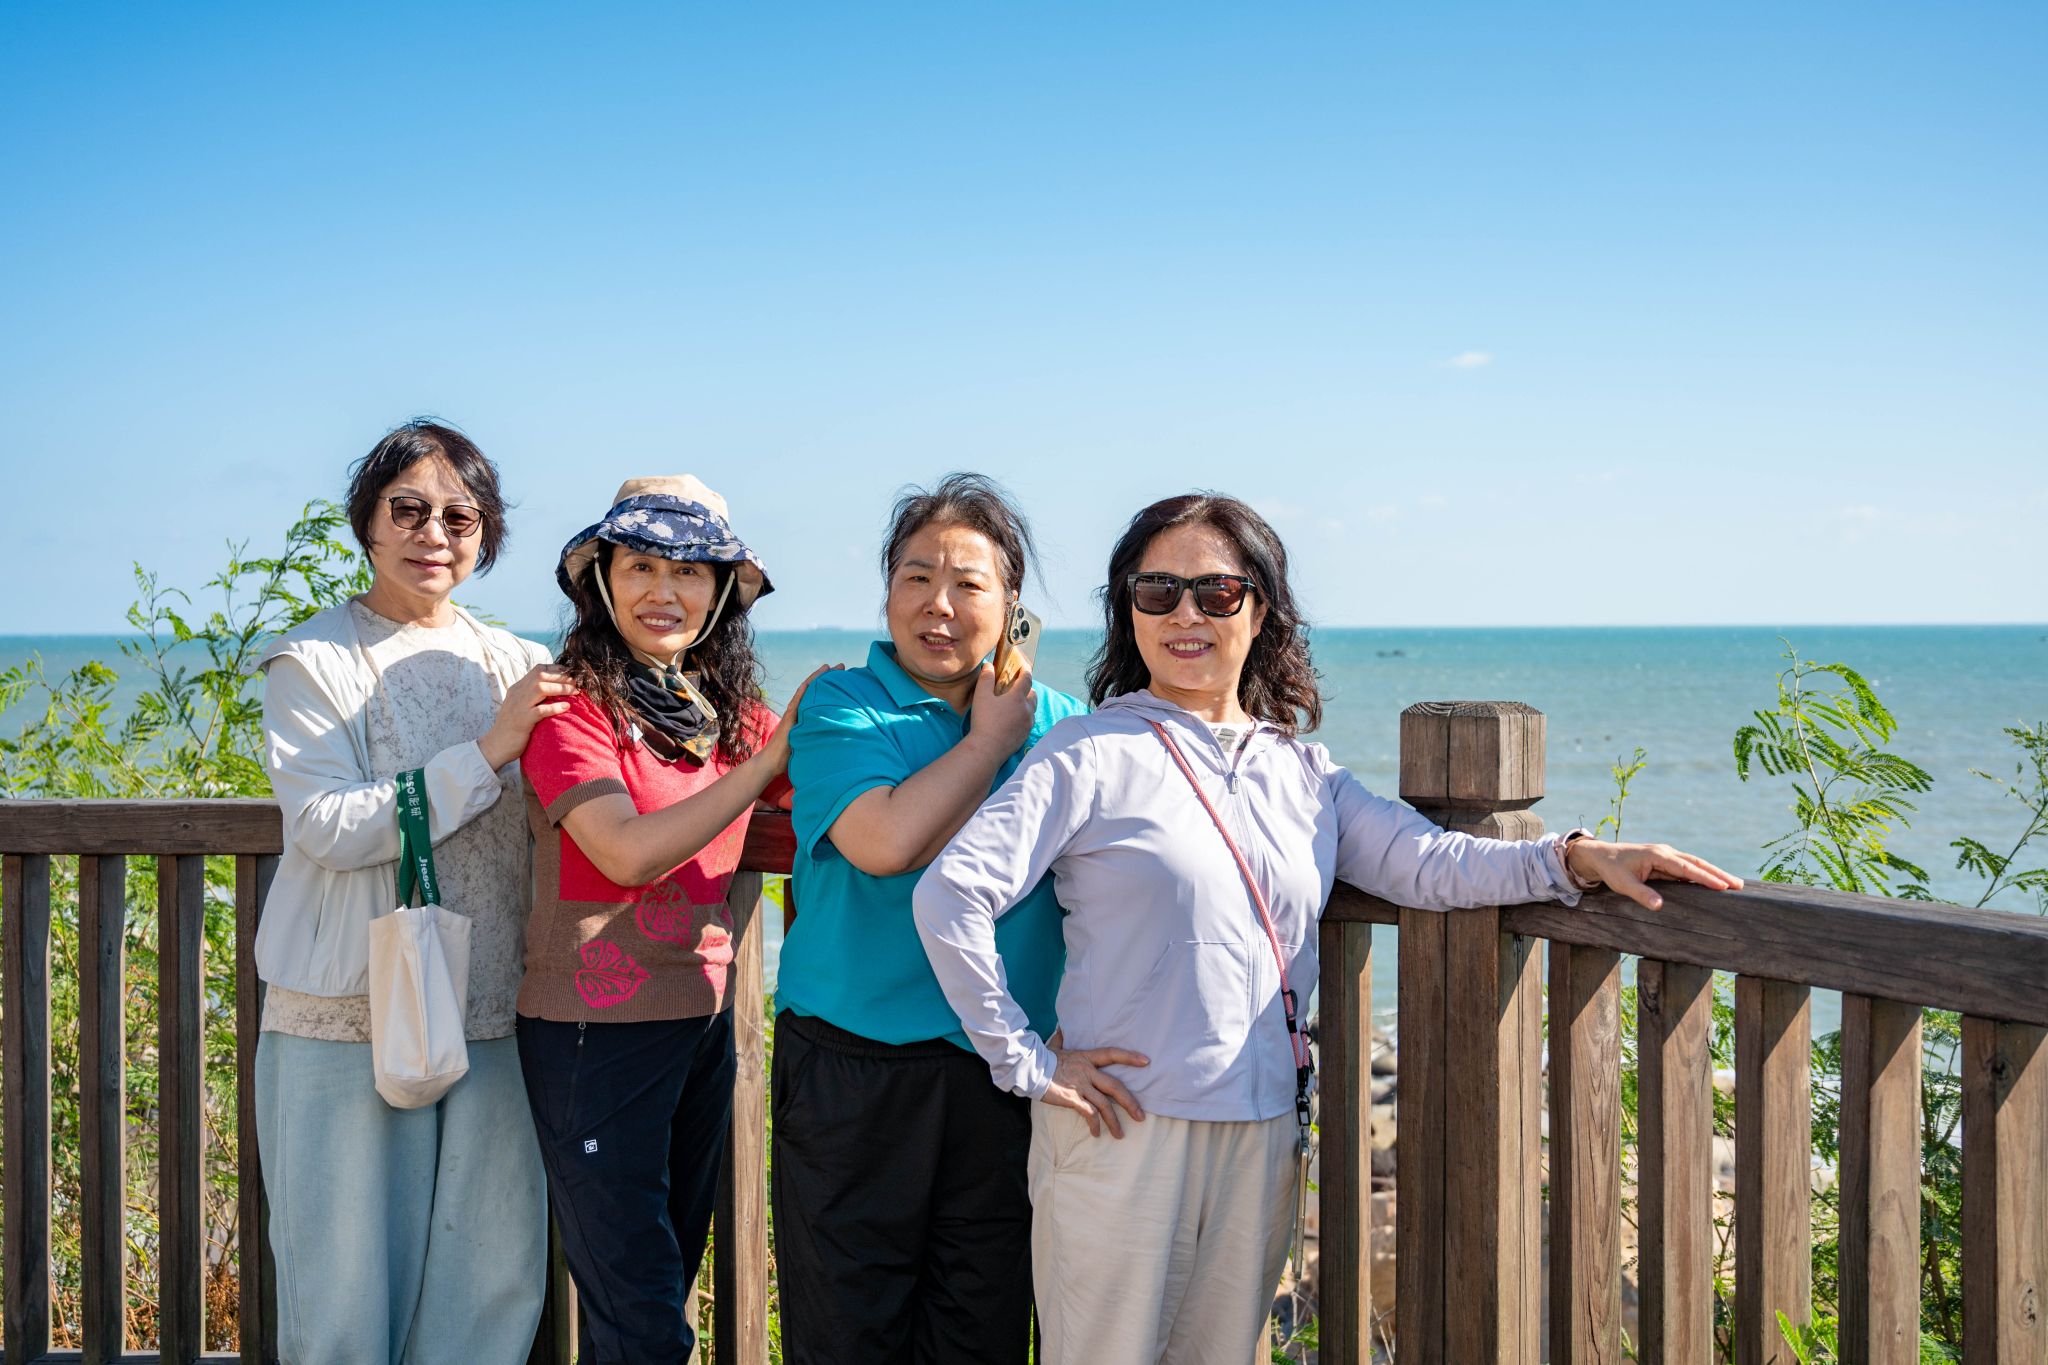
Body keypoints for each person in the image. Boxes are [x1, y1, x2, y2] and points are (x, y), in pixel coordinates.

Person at [913, 492, 1743, 1365]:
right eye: (1157, 591)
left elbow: (1432, 863)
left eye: (1215, 591)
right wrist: (1027, 1062)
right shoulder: (1088, 752)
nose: (1186, 614)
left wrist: (1575, 858)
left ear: (1260, 608)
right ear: (1129, 611)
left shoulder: (1303, 773)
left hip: (1263, 1126)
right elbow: (951, 895)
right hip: (1123, 1134)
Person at [255, 419, 574, 1365]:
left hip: (496, 1009)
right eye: (408, 509)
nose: (433, 533)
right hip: (348, 1012)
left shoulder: (515, 662)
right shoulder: (312, 659)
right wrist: (487, 751)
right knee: (343, 1288)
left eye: (459, 517)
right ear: (367, 520)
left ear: (485, 536)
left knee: (490, 1286)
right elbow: (326, 822)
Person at [771, 474, 1090, 1365]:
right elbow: (884, 840)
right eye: (915, 577)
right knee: (846, 1336)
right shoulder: (842, 705)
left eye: (967, 583)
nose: (937, 604)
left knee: (980, 1333)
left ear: (1013, 606)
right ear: (887, 592)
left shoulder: (1064, 725)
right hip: (852, 1070)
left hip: (1001, 1071)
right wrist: (988, 742)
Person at [517, 476, 827, 1365]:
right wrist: (764, 762)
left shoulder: (727, 718)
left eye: (690, 570)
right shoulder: (569, 708)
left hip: (701, 1026)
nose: (664, 590)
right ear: (602, 580)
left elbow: (837, 800)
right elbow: (624, 851)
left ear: (722, 590)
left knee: (659, 1292)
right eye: (641, 565)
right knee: (643, 1321)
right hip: (590, 1034)